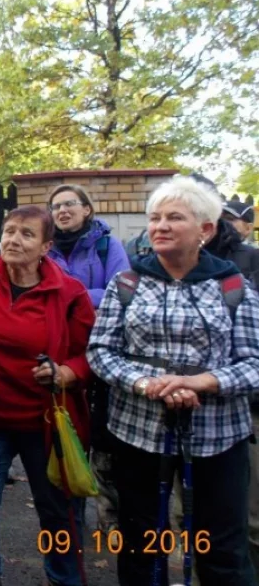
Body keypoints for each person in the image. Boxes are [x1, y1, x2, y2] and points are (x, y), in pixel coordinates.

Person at [88, 175, 259, 585]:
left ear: (205, 229)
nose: (160, 225)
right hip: (139, 434)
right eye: (155, 217)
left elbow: (254, 362)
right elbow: (100, 352)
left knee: (222, 548)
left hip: (218, 437)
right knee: (142, 545)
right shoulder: (127, 282)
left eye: (174, 218)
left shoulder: (233, 285)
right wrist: (148, 383)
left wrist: (205, 381)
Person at [0, 205, 96, 586]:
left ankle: (63, 577)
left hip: (45, 421)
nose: (14, 239)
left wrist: (66, 372)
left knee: (59, 511)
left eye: (26, 234)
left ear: (46, 246)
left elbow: (90, 355)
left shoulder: (68, 292)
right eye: (9, 230)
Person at [45, 184, 130, 534]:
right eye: (56, 207)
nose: (62, 211)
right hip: (63, 350)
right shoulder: (46, 249)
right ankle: (76, 510)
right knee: (74, 429)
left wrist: (72, 296)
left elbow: (122, 289)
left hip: (105, 347)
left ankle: (112, 516)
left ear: (86, 210)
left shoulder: (108, 244)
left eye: (69, 204)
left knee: (107, 435)